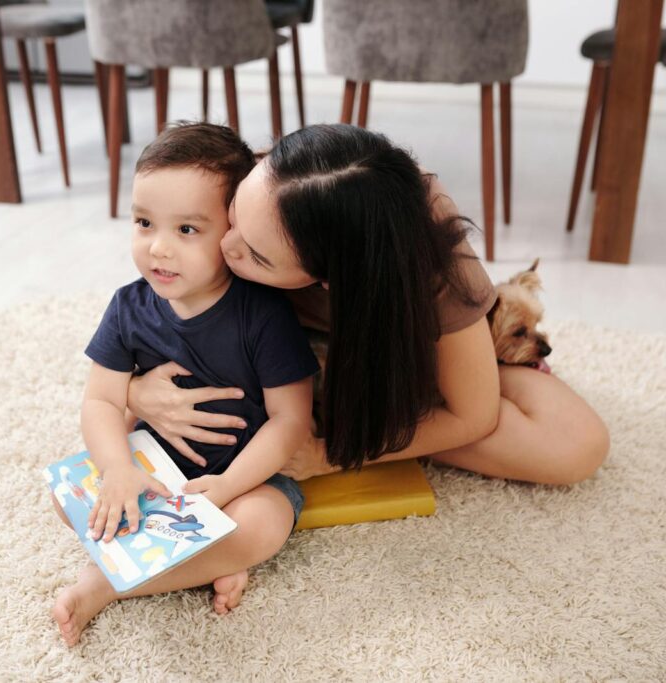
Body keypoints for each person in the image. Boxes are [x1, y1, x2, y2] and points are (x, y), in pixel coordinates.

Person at [127, 124, 611, 609]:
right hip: (267, 365)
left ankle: (433, 377)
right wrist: (136, 391)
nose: (227, 248)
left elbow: (474, 416)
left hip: (381, 359)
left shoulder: (429, 249)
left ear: (329, 280)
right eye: (232, 216)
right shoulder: (242, 178)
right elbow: (145, 308)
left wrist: (328, 456)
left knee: (576, 446)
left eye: (255, 255)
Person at [51, 123, 318, 647]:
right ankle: (207, 561)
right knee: (67, 499)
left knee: (263, 525)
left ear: (233, 231)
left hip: (244, 480)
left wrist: (230, 485)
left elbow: (291, 420)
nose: (159, 249)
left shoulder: (264, 315)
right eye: (145, 223)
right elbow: (101, 399)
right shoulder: (128, 306)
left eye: (187, 230)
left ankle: (107, 584)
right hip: (154, 468)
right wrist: (118, 470)